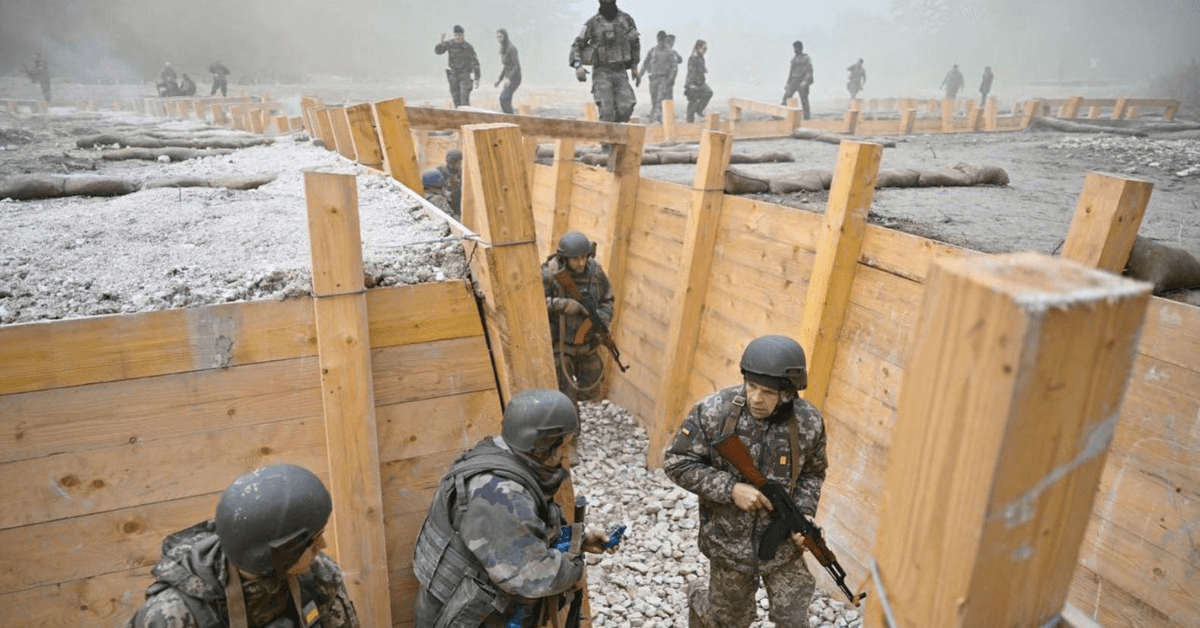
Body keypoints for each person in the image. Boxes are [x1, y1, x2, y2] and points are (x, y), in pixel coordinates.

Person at [413, 388, 618, 627]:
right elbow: (533, 577)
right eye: (564, 444)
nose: (568, 454)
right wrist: (574, 572)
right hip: (464, 618)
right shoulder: (499, 493)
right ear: (541, 444)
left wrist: (577, 541)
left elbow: (519, 535)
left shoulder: (500, 453)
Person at [664, 335, 828, 628]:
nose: (756, 398)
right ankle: (698, 598)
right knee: (729, 621)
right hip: (729, 545)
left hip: (782, 547)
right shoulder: (714, 411)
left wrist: (803, 514)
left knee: (793, 615)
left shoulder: (809, 422)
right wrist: (730, 489)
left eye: (767, 392)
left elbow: (812, 473)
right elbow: (677, 462)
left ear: (788, 393)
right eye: (751, 386)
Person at [124, 464, 360, 628]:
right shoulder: (172, 615)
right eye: (313, 541)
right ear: (275, 555)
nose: (323, 547)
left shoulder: (316, 574)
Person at [542, 232, 614, 405]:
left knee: (591, 386)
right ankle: (571, 429)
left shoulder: (596, 272)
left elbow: (607, 300)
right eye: (575, 259)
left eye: (584, 257)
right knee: (565, 394)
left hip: (586, 342)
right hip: (560, 344)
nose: (581, 263)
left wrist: (600, 322)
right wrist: (563, 304)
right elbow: (533, 303)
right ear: (565, 258)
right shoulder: (550, 273)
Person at [569, 0, 641, 124]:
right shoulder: (592, 23)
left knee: (626, 107)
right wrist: (578, 65)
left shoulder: (626, 20)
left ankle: (614, 137)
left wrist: (634, 66)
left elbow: (635, 43)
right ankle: (607, 142)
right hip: (601, 72)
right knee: (606, 110)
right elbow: (577, 44)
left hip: (620, 70)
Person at [435, 25, 481, 107]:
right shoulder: (450, 44)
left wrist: (477, 78)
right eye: (456, 35)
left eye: (459, 35)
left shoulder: (468, 47)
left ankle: (467, 118)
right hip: (453, 75)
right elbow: (439, 52)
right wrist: (440, 43)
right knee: (456, 100)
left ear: (463, 35)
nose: (458, 37)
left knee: (464, 101)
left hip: (464, 75)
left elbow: (475, 63)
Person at [640, 30, 674, 123]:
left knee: (660, 99)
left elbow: (674, 67)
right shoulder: (652, 51)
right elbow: (645, 63)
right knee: (654, 100)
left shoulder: (669, 52)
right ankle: (656, 117)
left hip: (663, 78)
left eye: (662, 40)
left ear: (664, 40)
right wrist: (640, 75)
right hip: (653, 79)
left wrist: (670, 79)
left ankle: (657, 118)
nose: (661, 42)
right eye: (659, 40)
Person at [782, 41, 813, 120]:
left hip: (802, 81)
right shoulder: (794, 59)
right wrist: (788, 83)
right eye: (794, 48)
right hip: (794, 80)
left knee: (804, 100)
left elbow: (809, 71)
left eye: (796, 48)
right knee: (786, 96)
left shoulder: (806, 58)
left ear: (800, 48)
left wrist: (805, 81)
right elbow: (791, 72)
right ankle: (781, 114)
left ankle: (806, 117)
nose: (795, 50)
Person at [684, 39, 713, 123]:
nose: (705, 51)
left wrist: (704, 69)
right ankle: (690, 120)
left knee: (708, 92)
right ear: (698, 48)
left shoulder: (700, 57)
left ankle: (699, 110)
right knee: (693, 101)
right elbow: (691, 71)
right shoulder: (694, 58)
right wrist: (690, 85)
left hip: (700, 82)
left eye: (706, 49)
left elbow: (699, 69)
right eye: (704, 49)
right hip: (693, 83)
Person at [494, 29, 522, 114]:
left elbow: (517, 66)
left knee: (503, 98)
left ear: (505, 37)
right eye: (497, 37)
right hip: (508, 78)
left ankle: (511, 117)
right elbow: (506, 66)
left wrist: (509, 79)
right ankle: (510, 117)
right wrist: (499, 80)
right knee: (507, 100)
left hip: (515, 78)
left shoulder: (512, 48)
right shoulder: (503, 48)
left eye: (500, 37)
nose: (499, 39)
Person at [437, 148, 463, 217]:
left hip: (458, 206)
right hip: (444, 205)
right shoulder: (440, 172)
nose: (452, 164)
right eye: (450, 162)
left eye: (454, 162)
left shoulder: (462, 174)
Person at [663, 34, 683, 113]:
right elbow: (680, 60)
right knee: (667, 97)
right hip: (666, 77)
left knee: (665, 97)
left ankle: (666, 115)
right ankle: (667, 115)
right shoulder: (672, 52)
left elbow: (680, 60)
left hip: (666, 78)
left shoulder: (671, 52)